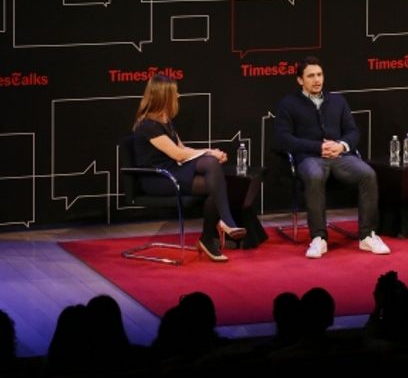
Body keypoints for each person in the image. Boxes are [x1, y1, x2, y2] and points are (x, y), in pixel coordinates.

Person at [273, 56, 390, 258]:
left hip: (340, 156)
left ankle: (367, 236)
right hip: (309, 158)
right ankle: (319, 238)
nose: (317, 80)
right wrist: (317, 147)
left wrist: (341, 145)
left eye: (319, 75)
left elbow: (353, 132)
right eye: (311, 76)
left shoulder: (338, 100)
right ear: (300, 80)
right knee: (315, 175)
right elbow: (283, 139)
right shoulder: (288, 104)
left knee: (368, 174)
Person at [132, 73, 246, 262]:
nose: (178, 96)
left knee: (214, 181)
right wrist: (209, 154)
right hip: (157, 178)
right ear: (164, 97)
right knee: (211, 167)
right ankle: (224, 222)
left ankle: (208, 238)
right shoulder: (147, 125)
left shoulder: (165, 120)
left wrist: (210, 152)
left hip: (173, 171)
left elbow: (182, 148)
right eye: (175, 93)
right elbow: (177, 155)